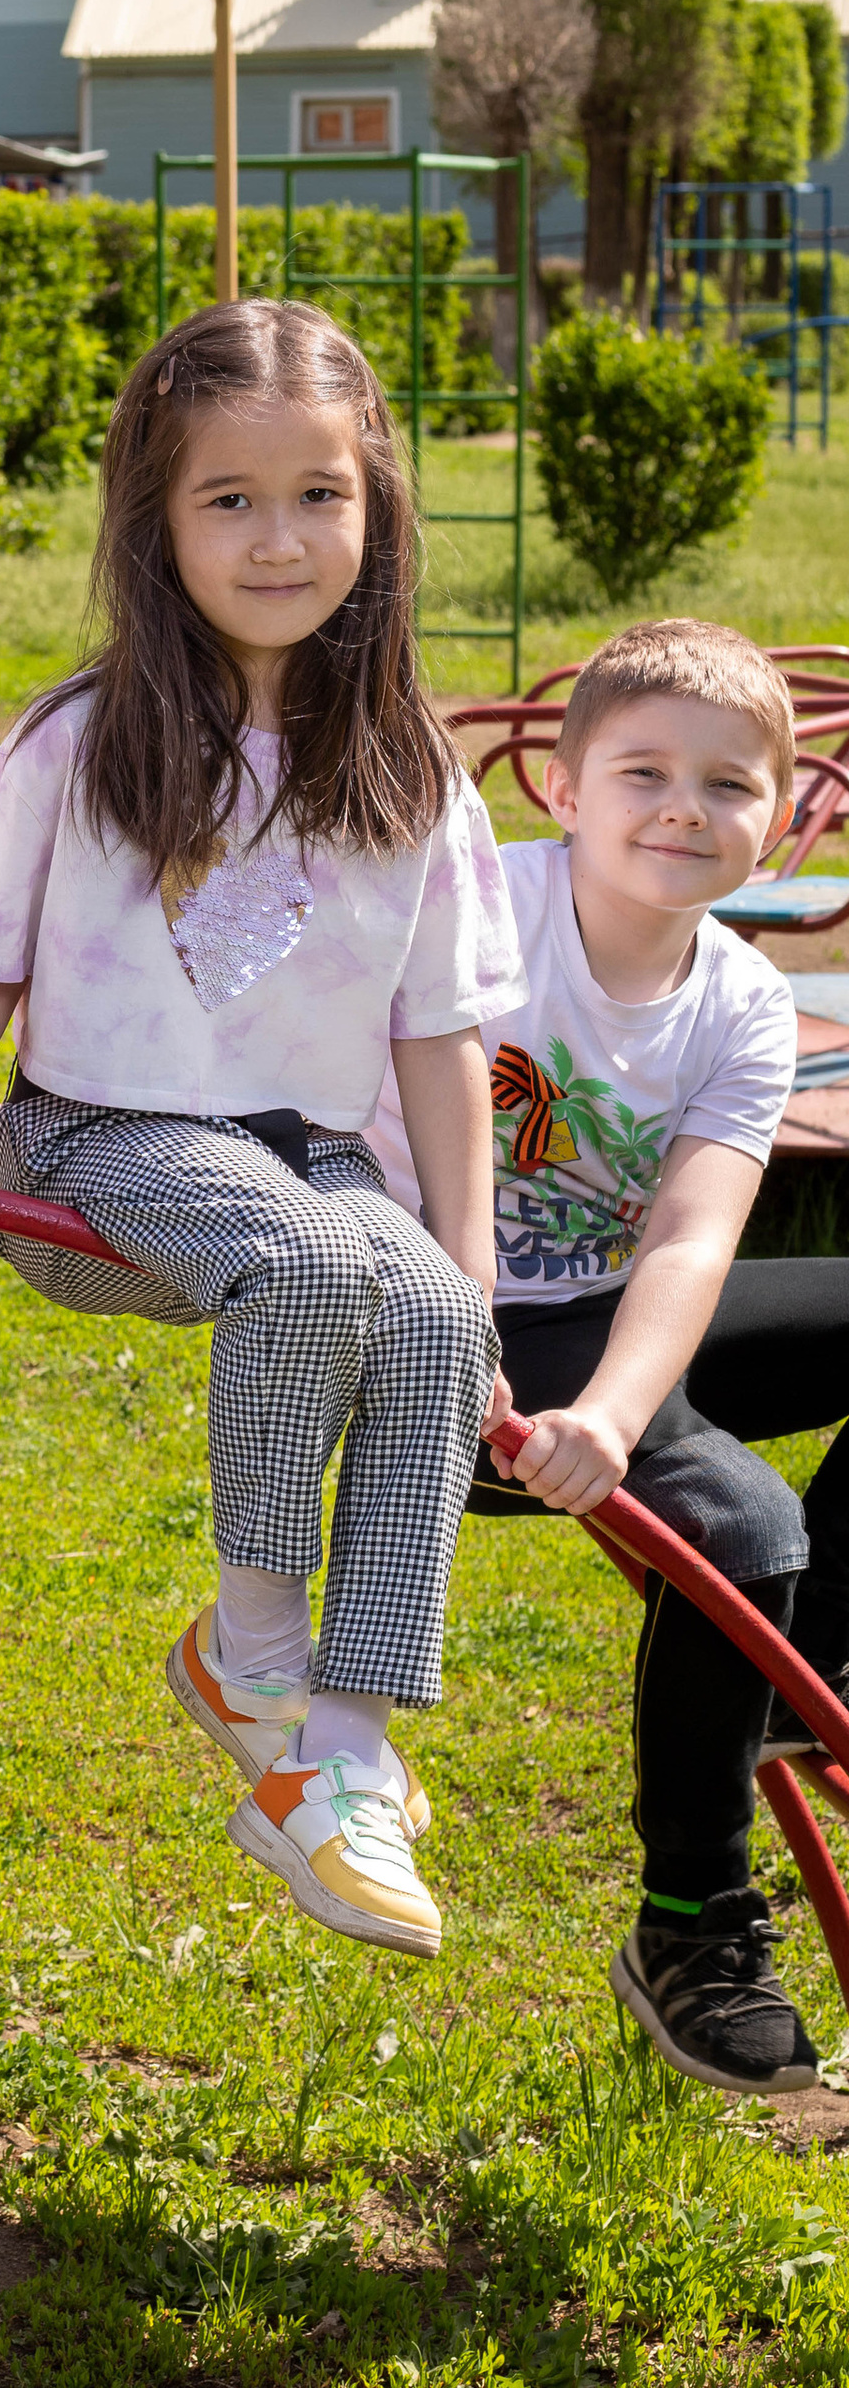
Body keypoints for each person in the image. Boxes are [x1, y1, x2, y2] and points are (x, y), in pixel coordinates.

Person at [0, 299, 524, 1960]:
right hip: (103, 1145)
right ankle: (247, 1646)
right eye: (230, 499)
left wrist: (475, 1262)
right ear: (159, 522)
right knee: (303, 1258)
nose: (280, 539)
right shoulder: (79, 743)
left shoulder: (414, 769)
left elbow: (440, 1040)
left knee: (424, 1307)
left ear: (377, 513)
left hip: (312, 1160)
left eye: (321, 496)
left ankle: (347, 1757)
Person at [372, 619, 849, 2092]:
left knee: (753, 1550)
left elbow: (695, 1243)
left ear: (785, 818)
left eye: (728, 785)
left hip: (597, 1336)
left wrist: (618, 1414)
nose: (683, 811)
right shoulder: (480, 916)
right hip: (403, 1321)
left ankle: (779, 1673)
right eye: (643, 772)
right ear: (561, 788)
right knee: (743, 1524)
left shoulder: (747, 1002)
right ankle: (694, 1922)